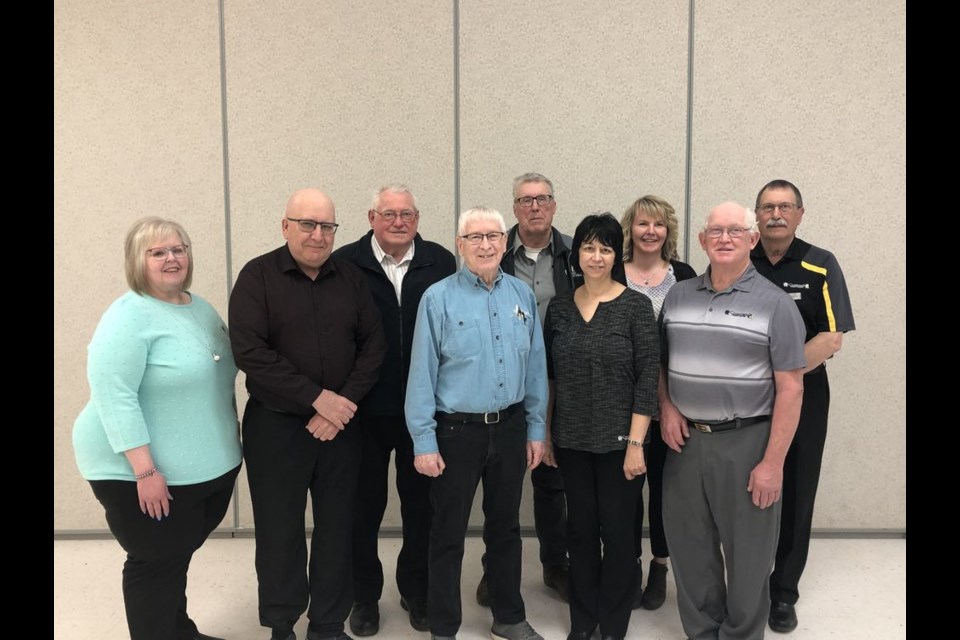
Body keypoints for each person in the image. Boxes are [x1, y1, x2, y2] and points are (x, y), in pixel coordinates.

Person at [73, 216, 242, 640]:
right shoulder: (128, 316)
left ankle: (176, 630)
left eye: (179, 249)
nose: (172, 258)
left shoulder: (199, 307)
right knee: (154, 560)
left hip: (202, 466)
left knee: (174, 555)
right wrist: (144, 471)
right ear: (138, 260)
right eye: (158, 251)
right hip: (141, 469)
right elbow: (115, 396)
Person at [229, 188, 387, 640]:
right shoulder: (257, 277)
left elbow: (373, 348)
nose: (318, 235)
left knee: (338, 527)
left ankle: (328, 622)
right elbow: (250, 352)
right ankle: (282, 623)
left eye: (327, 226)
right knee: (280, 532)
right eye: (307, 225)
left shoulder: (352, 278)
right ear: (286, 226)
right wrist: (318, 399)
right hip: (275, 427)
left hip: (341, 426)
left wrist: (340, 406)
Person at [659, 202, 806, 640]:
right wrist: (667, 406)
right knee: (690, 547)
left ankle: (741, 634)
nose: (725, 239)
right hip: (685, 443)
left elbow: (792, 389)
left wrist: (773, 463)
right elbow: (662, 365)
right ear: (702, 241)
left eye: (735, 231)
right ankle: (703, 632)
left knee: (748, 555)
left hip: (748, 443)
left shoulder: (775, 305)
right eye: (716, 231)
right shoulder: (678, 295)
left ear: (752, 239)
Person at [405, 206, 548, 640]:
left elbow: (536, 368)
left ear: (505, 243)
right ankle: (444, 626)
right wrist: (423, 440)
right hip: (455, 432)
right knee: (447, 533)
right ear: (460, 245)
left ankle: (508, 616)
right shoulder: (438, 298)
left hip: (509, 427)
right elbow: (421, 374)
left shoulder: (521, 296)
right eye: (475, 238)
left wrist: (536, 428)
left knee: (505, 528)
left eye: (493, 236)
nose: (485, 245)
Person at [332, 184, 456, 636]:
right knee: (362, 507)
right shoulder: (346, 262)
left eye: (407, 214)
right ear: (371, 217)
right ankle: (363, 597)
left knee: (422, 507)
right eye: (389, 213)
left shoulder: (440, 261)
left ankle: (416, 589)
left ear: (418, 219)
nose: (398, 221)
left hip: (423, 410)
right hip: (363, 410)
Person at [543, 213, 659, 640]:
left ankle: (613, 623)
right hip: (571, 441)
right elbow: (550, 377)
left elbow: (647, 375)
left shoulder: (634, 306)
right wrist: (549, 432)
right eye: (588, 247)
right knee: (580, 533)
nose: (596, 256)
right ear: (577, 254)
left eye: (605, 248)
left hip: (618, 444)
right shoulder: (558, 307)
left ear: (616, 255)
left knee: (618, 535)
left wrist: (636, 443)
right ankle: (582, 619)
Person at [750, 180, 856, 634]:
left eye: (784, 207)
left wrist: (783, 376)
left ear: (799, 214)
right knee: (746, 483)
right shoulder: (740, 259)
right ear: (756, 215)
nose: (775, 214)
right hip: (746, 398)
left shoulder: (821, 263)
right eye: (767, 207)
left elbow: (832, 337)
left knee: (794, 490)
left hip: (805, 394)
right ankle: (747, 582)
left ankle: (783, 593)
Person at [477, 172, 578, 606]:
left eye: (542, 199)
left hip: (563, 380)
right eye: (525, 200)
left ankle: (555, 564)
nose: (535, 207)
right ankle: (495, 570)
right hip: (502, 380)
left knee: (551, 479)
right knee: (500, 483)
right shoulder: (493, 254)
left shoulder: (577, 253)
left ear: (554, 205)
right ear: (514, 209)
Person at [619, 195, 697, 611]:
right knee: (626, 489)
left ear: (669, 231)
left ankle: (660, 565)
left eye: (659, 225)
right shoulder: (612, 271)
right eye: (642, 223)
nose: (650, 232)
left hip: (673, 402)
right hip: (621, 402)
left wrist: (669, 402)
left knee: (666, 491)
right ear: (630, 228)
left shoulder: (684, 277)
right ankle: (629, 566)